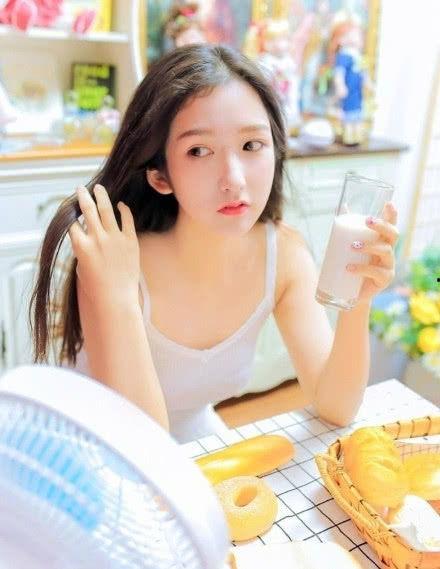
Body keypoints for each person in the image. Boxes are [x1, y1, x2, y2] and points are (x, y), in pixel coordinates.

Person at [31, 44, 399, 443]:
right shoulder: (115, 261)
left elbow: (336, 406)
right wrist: (118, 298)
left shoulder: (284, 256)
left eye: (251, 145)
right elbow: (146, 445)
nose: (234, 180)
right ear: (160, 175)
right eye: (199, 151)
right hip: (94, 440)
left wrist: (358, 301)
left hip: (187, 436)